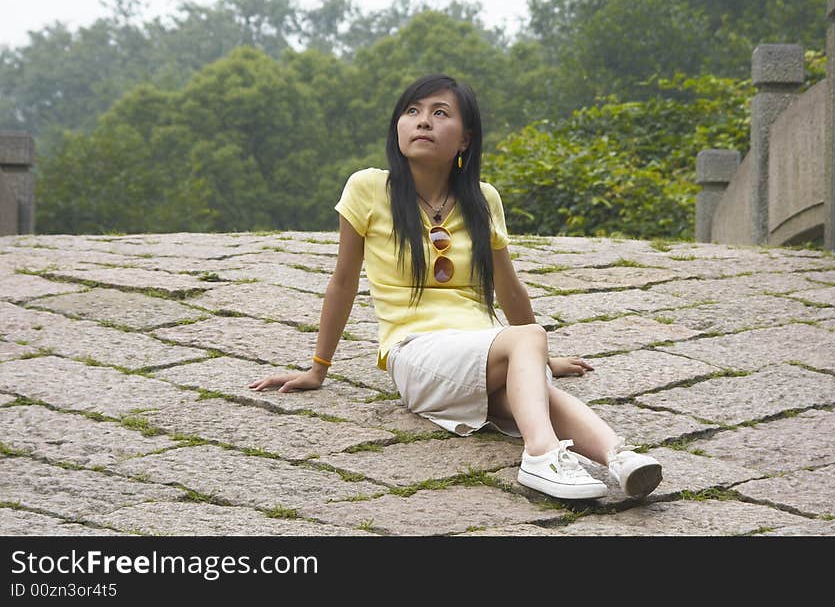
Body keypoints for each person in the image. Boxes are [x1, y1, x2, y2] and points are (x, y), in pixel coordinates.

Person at [248, 74, 662, 500]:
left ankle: (618, 458)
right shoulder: (368, 188)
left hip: (483, 345)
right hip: (416, 350)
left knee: (535, 393)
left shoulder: (482, 200)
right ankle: (541, 456)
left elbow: (509, 287)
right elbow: (343, 281)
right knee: (529, 344)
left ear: (464, 139)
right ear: (398, 126)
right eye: (413, 112)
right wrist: (318, 368)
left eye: (439, 113)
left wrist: (543, 357)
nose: (422, 122)